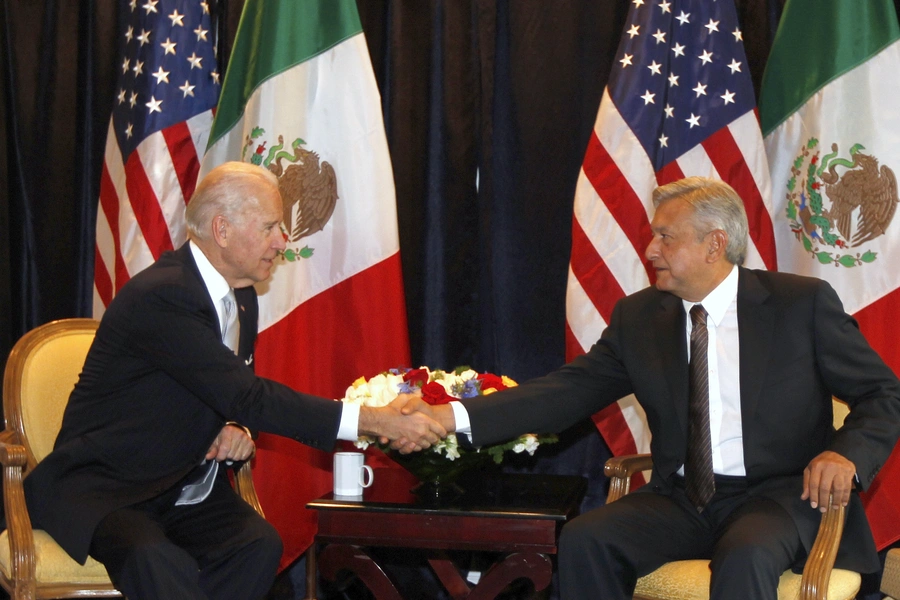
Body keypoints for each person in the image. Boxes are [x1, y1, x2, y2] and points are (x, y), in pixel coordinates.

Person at [400, 176, 900, 599]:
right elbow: (564, 392)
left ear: (714, 243)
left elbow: (883, 393)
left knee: (745, 555)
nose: (649, 250)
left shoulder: (800, 304)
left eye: (665, 237)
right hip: (681, 497)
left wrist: (846, 454)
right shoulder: (640, 317)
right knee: (584, 540)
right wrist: (451, 417)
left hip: (779, 495)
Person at [23, 162, 443, 600]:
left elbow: (222, 392)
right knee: (156, 559)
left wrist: (239, 430)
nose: (283, 241)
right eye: (270, 227)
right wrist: (374, 421)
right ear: (221, 230)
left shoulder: (240, 293)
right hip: (108, 487)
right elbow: (247, 395)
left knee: (258, 545)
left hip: (180, 484)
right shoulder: (164, 296)